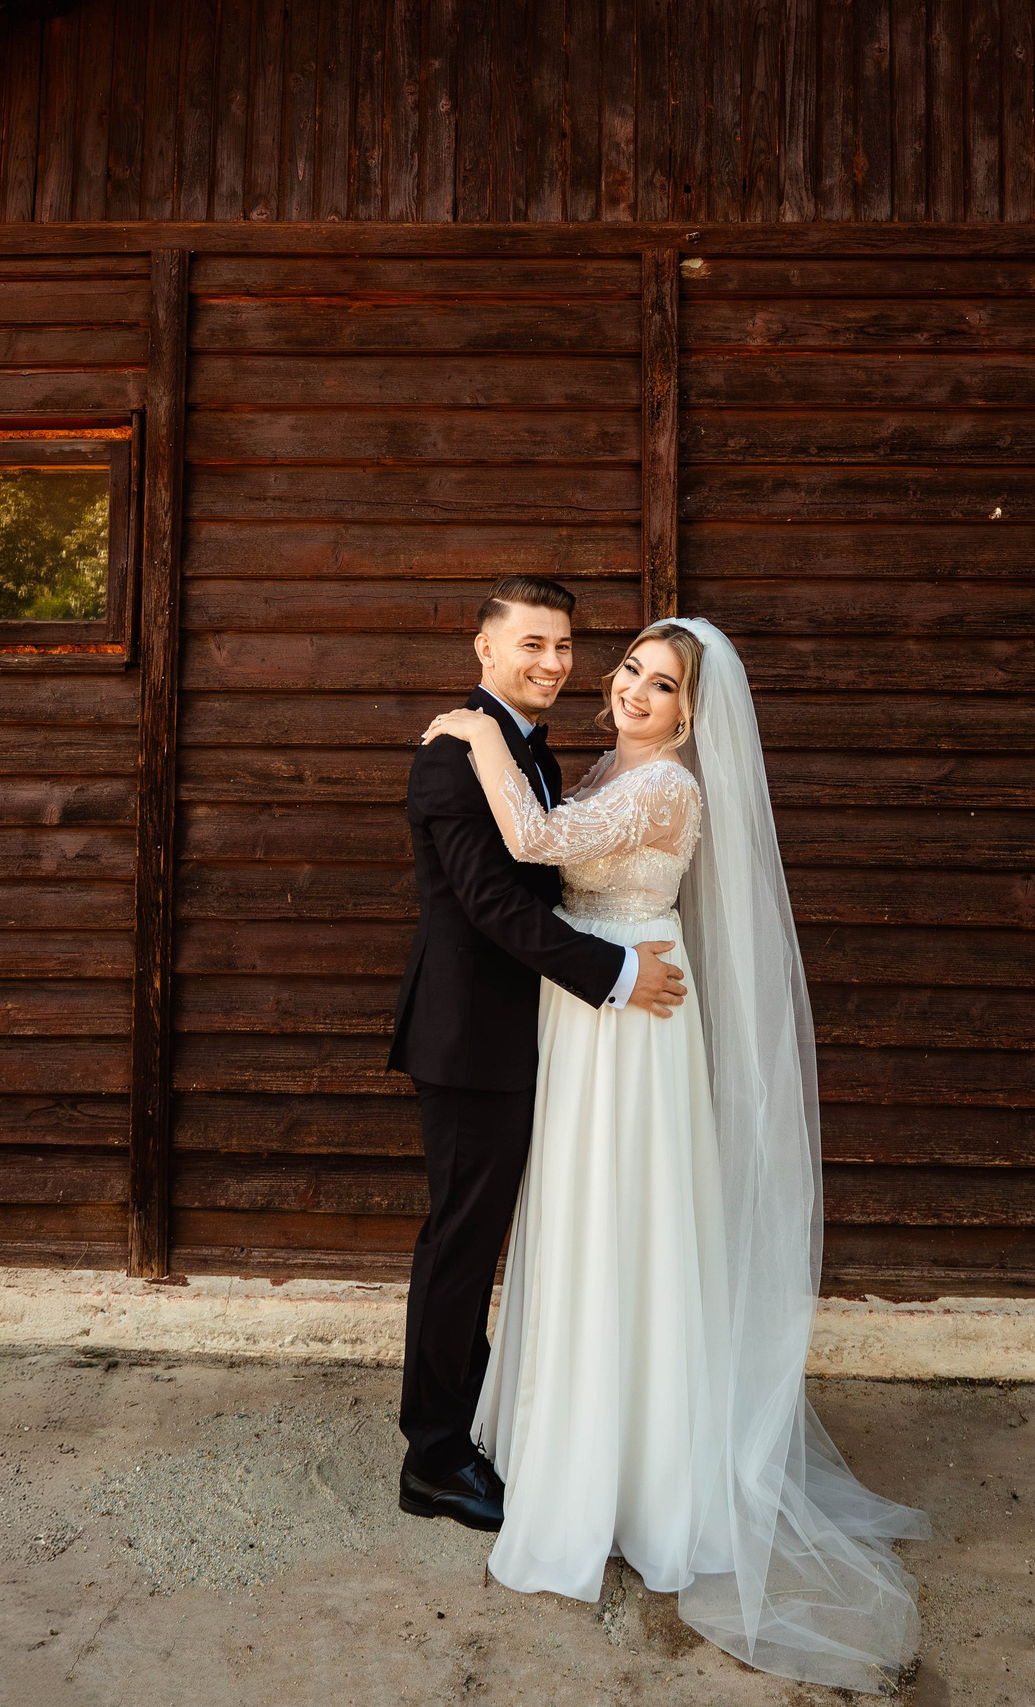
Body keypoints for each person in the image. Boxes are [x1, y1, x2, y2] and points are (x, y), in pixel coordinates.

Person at [418, 616, 930, 1694]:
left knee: (626, 1224)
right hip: (586, 1009)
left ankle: (634, 1471)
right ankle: (562, 1439)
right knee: (576, 1220)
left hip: (631, 1012)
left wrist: (472, 737)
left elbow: (538, 846)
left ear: (696, 713)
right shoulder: (607, 762)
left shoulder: (668, 787)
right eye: (632, 673)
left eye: (664, 686)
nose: (636, 693)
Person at [387, 576, 686, 1534]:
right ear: (485, 648)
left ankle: (489, 1419)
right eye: (532, 644)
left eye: (564, 646)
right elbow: (498, 908)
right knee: (461, 1247)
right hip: (470, 1036)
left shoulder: (540, 757)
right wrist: (615, 971)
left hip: (541, 1036)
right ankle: (432, 1458)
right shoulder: (453, 758)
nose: (553, 663)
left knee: (514, 1242)